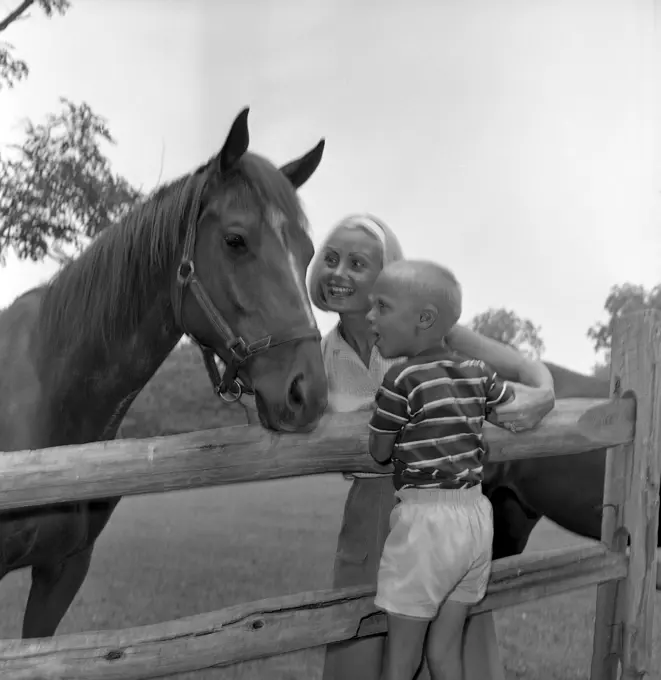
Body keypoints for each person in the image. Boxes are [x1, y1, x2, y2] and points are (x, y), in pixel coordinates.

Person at [307, 213, 555, 680]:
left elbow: (523, 368)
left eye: (357, 263)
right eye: (332, 259)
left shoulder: (432, 335)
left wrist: (545, 391)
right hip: (369, 513)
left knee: (447, 647)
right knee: (362, 640)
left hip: (438, 511)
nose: (338, 273)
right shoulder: (320, 353)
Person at [367, 259, 517, 680]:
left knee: (401, 659)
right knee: (446, 651)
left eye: (382, 306)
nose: (370, 316)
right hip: (473, 519)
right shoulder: (478, 372)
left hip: (425, 527)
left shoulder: (401, 378)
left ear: (424, 319)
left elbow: (379, 451)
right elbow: (510, 408)